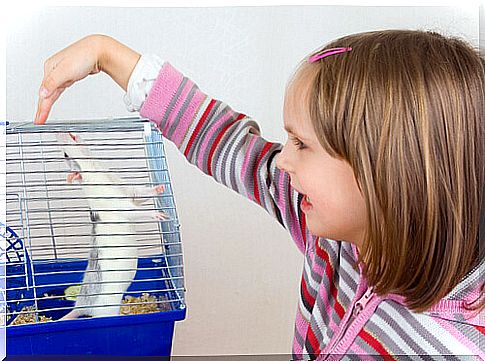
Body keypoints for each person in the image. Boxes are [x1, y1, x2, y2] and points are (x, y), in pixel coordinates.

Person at [34, 30, 484, 359]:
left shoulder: (456, 345)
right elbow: (227, 141)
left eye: (302, 145)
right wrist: (107, 54)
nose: (282, 161)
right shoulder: (334, 231)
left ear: (385, 173)